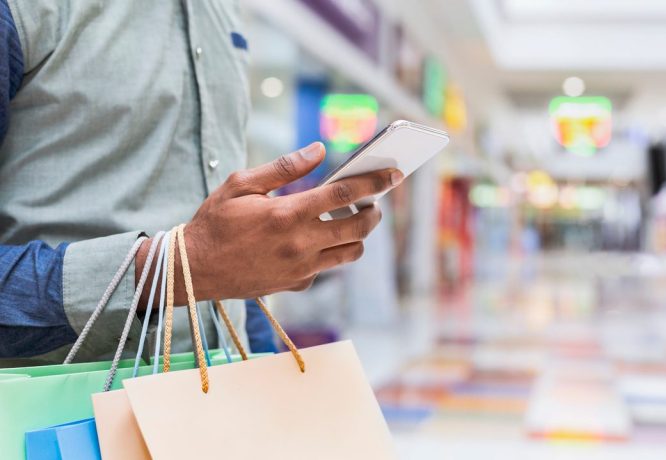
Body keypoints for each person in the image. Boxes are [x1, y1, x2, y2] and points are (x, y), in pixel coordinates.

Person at [0, 1, 402, 365]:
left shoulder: (222, 11)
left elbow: (233, 276)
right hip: (62, 409)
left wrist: (265, 366)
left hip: (221, 396)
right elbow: (210, 260)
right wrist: (175, 268)